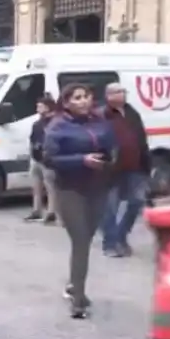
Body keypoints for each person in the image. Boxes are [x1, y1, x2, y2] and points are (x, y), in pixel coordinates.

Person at [43, 82, 116, 319]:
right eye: (77, 98)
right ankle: (78, 300)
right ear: (66, 103)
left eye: (86, 96)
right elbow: (49, 158)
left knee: (86, 238)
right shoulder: (58, 126)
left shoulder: (100, 122)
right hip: (70, 189)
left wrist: (110, 158)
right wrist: (81, 160)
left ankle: (74, 284)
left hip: (97, 188)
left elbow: (112, 144)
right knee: (81, 241)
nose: (83, 101)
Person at [98, 82, 151, 257]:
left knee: (136, 202)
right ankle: (110, 244)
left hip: (135, 168)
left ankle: (121, 236)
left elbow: (141, 138)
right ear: (108, 96)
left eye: (122, 91)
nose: (121, 95)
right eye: (116, 92)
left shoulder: (132, 112)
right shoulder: (101, 116)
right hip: (111, 170)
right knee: (110, 208)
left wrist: (146, 164)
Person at [25, 94, 58, 224]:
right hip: (36, 158)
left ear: (48, 107)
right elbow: (32, 139)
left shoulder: (54, 123)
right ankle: (36, 210)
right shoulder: (37, 123)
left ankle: (51, 211)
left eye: (41, 106)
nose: (38, 108)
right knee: (36, 186)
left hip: (47, 160)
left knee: (50, 187)